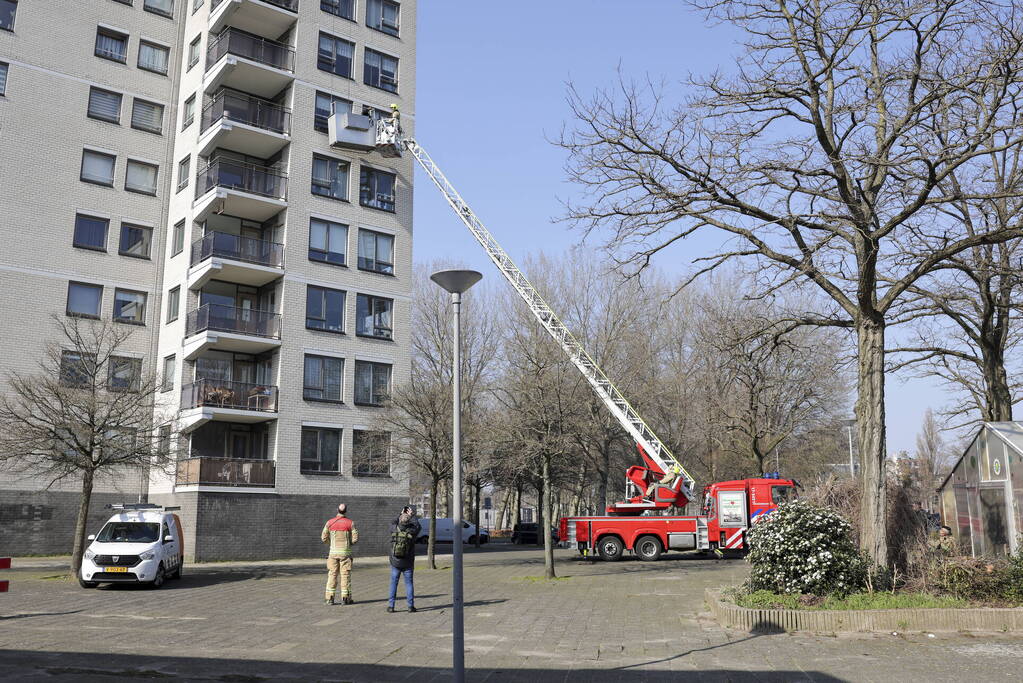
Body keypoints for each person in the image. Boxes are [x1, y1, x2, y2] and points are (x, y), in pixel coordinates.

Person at [321, 503, 359, 606]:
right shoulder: (350, 523)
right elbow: (355, 538)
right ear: (346, 511)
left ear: (337, 510)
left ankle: (329, 598)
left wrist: (331, 544)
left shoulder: (329, 523)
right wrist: (349, 544)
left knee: (332, 575)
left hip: (333, 553)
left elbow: (323, 538)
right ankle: (345, 599)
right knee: (345, 575)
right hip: (345, 554)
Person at [387, 506, 421, 613]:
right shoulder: (412, 531)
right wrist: (412, 516)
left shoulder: (394, 528)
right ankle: (410, 606)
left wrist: (400, 514)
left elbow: (392, 522)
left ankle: (391, 606)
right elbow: (418, 526)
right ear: (409, 520)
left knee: (393, 583)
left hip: (395, 562)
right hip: (408, 562)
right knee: (409, 584)